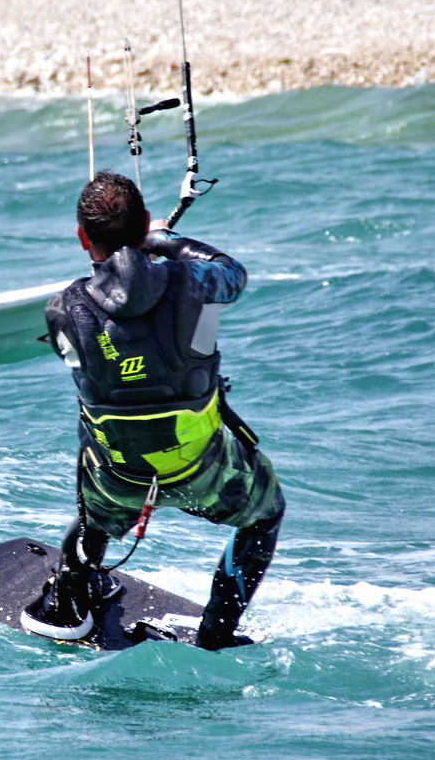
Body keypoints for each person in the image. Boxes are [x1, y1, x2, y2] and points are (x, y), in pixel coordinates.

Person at [23, 171, 285, 650]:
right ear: (143, 223)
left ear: (83, 238)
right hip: (200, 467)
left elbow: (97, 365)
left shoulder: (61, 308)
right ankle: (217, 632)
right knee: (264, 513)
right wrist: (167, 241)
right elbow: (234, 272)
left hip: (117, 475)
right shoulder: (196, 282)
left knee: (94, 478)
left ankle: (67, 605)